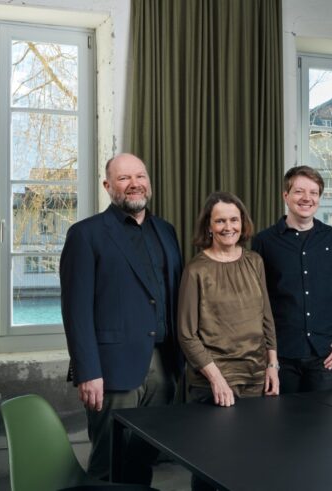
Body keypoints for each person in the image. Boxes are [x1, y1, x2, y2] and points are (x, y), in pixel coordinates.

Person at [60, 153, 183, 484]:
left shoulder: (166, 231)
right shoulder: (85, 234)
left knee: (143, 458)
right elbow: (75, 310)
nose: (134, 184)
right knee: (109, 461)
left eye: (140, 176)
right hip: (111, 368)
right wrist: (88, 371)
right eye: (124, 178)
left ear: (149, 183)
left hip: (164, 365)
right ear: (107, 185)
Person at [178, 191, 278, 491]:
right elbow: (187, 334)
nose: (228, 227)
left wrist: (272, 365)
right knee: (212, 467)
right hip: (213, 382)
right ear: (209, 226)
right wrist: (217, 379)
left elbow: (266, 317)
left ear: (242, 223)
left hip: (255, 378)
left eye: (234, 220)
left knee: (251, 463)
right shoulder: (196, 270)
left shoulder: (254, 261)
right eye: (220, 221)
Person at [252, 166, 332, 393]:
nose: (307, 198)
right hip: (281, 355)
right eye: (299, 191)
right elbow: (255, 301)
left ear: (319, 198)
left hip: (326, 355)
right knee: (281, 416)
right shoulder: (264, 242)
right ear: (286, 195)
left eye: (313, 192)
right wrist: (267, 354)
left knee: (328, 417)